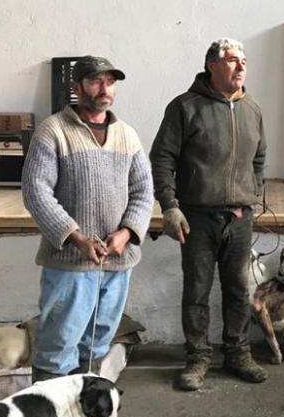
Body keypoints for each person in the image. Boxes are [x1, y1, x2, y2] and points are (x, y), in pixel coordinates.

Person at [22, 55, 154, 382]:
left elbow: (143, 191)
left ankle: (81, 408)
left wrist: (125, 234)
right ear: (77, 86)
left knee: (98, 342)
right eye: (95, 81)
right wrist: (76, 237)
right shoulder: (53, 131)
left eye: (110, 82)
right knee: (59, 343)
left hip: (117, 261)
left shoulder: (127, 135)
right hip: (71, 263)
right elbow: (35, 190)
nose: (103, 88)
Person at [150, 38, 267, 391]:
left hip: (240, 219)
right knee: (197, 292)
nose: (241, 67)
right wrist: (170, 206)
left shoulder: (252, 109)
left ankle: (238, 354)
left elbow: (259, 159)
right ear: (212, 65)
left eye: (244, 60)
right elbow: (162, 159)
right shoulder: (184, 108)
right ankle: (198, 358)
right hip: (198, 218)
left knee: (238, 290)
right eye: (233, 60)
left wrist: (251, 195)